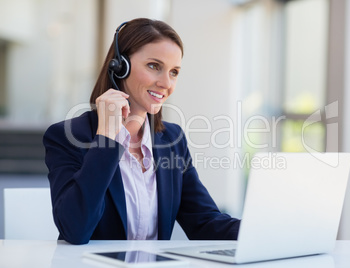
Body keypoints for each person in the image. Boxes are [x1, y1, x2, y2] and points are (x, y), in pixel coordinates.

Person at [43, 18, 240, 245]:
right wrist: (107, 138)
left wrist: (265, 230)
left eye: (174, 72)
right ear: (120, 66)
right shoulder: (67, 137)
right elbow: (75, 230)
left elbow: (204, 222)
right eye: (154, 66)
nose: (166, 83)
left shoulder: (172, 141)